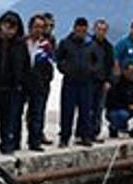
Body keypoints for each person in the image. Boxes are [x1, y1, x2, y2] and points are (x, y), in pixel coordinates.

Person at [0, 11, 29, 155]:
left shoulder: (20, 45)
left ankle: (7, 145)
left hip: (10, 88)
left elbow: (25, 67)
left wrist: (23, 85)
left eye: (12, 28)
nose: (9, 31)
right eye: (6, 26)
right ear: (0, 25)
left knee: (8, 120)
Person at [55, 17, 96, 148]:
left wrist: (91, 70)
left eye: (83, 31)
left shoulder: (91, 44)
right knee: (67, 111)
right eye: (79, 30)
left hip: (86, 83)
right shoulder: (65, 43)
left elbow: (97, 61)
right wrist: (65, 69)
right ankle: (64, 138)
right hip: (70, 82)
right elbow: (58, 59)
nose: (81, 33)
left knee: (86, 111)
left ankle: (85, 136)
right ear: (74, 29)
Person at [24, 15, 54, 152]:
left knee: (37, 114)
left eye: (42, 27)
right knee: (17, 114)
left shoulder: (46, 46)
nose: (39, 30)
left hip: (40, 85)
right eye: (36, 27)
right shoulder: (23, 43)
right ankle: (13, 142)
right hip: (23, 84)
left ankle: (35, 141)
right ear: (30, 27)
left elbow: (49, 66)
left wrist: (44, 81)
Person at [91, 19, 115, 141]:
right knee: (86, 108)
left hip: (102, 82)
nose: (101, 32)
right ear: (94, 29)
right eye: (99, 29)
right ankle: (83, 133)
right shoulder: (88, 43)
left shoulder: (108, 47)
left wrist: (109, 81)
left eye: (103, 30)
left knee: (98, 108)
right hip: (89, 81)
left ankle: (95, 132)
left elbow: (111, 66)